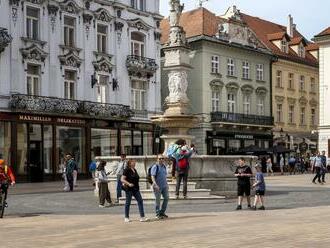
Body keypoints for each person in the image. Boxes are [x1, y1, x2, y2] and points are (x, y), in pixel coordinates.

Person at [151, 154, 170, 219]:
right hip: (157, 186)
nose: (161, 160)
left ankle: (162, 212)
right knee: (158, 200)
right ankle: (157, 213)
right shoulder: (155, 166)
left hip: (164, 186)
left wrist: (167, 184)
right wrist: (155, 184)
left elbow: (164, 176)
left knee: (166, 198)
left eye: (162, 158)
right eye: (160, 158)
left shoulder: (164, 166)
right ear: (157, 159)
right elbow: (152, 176)